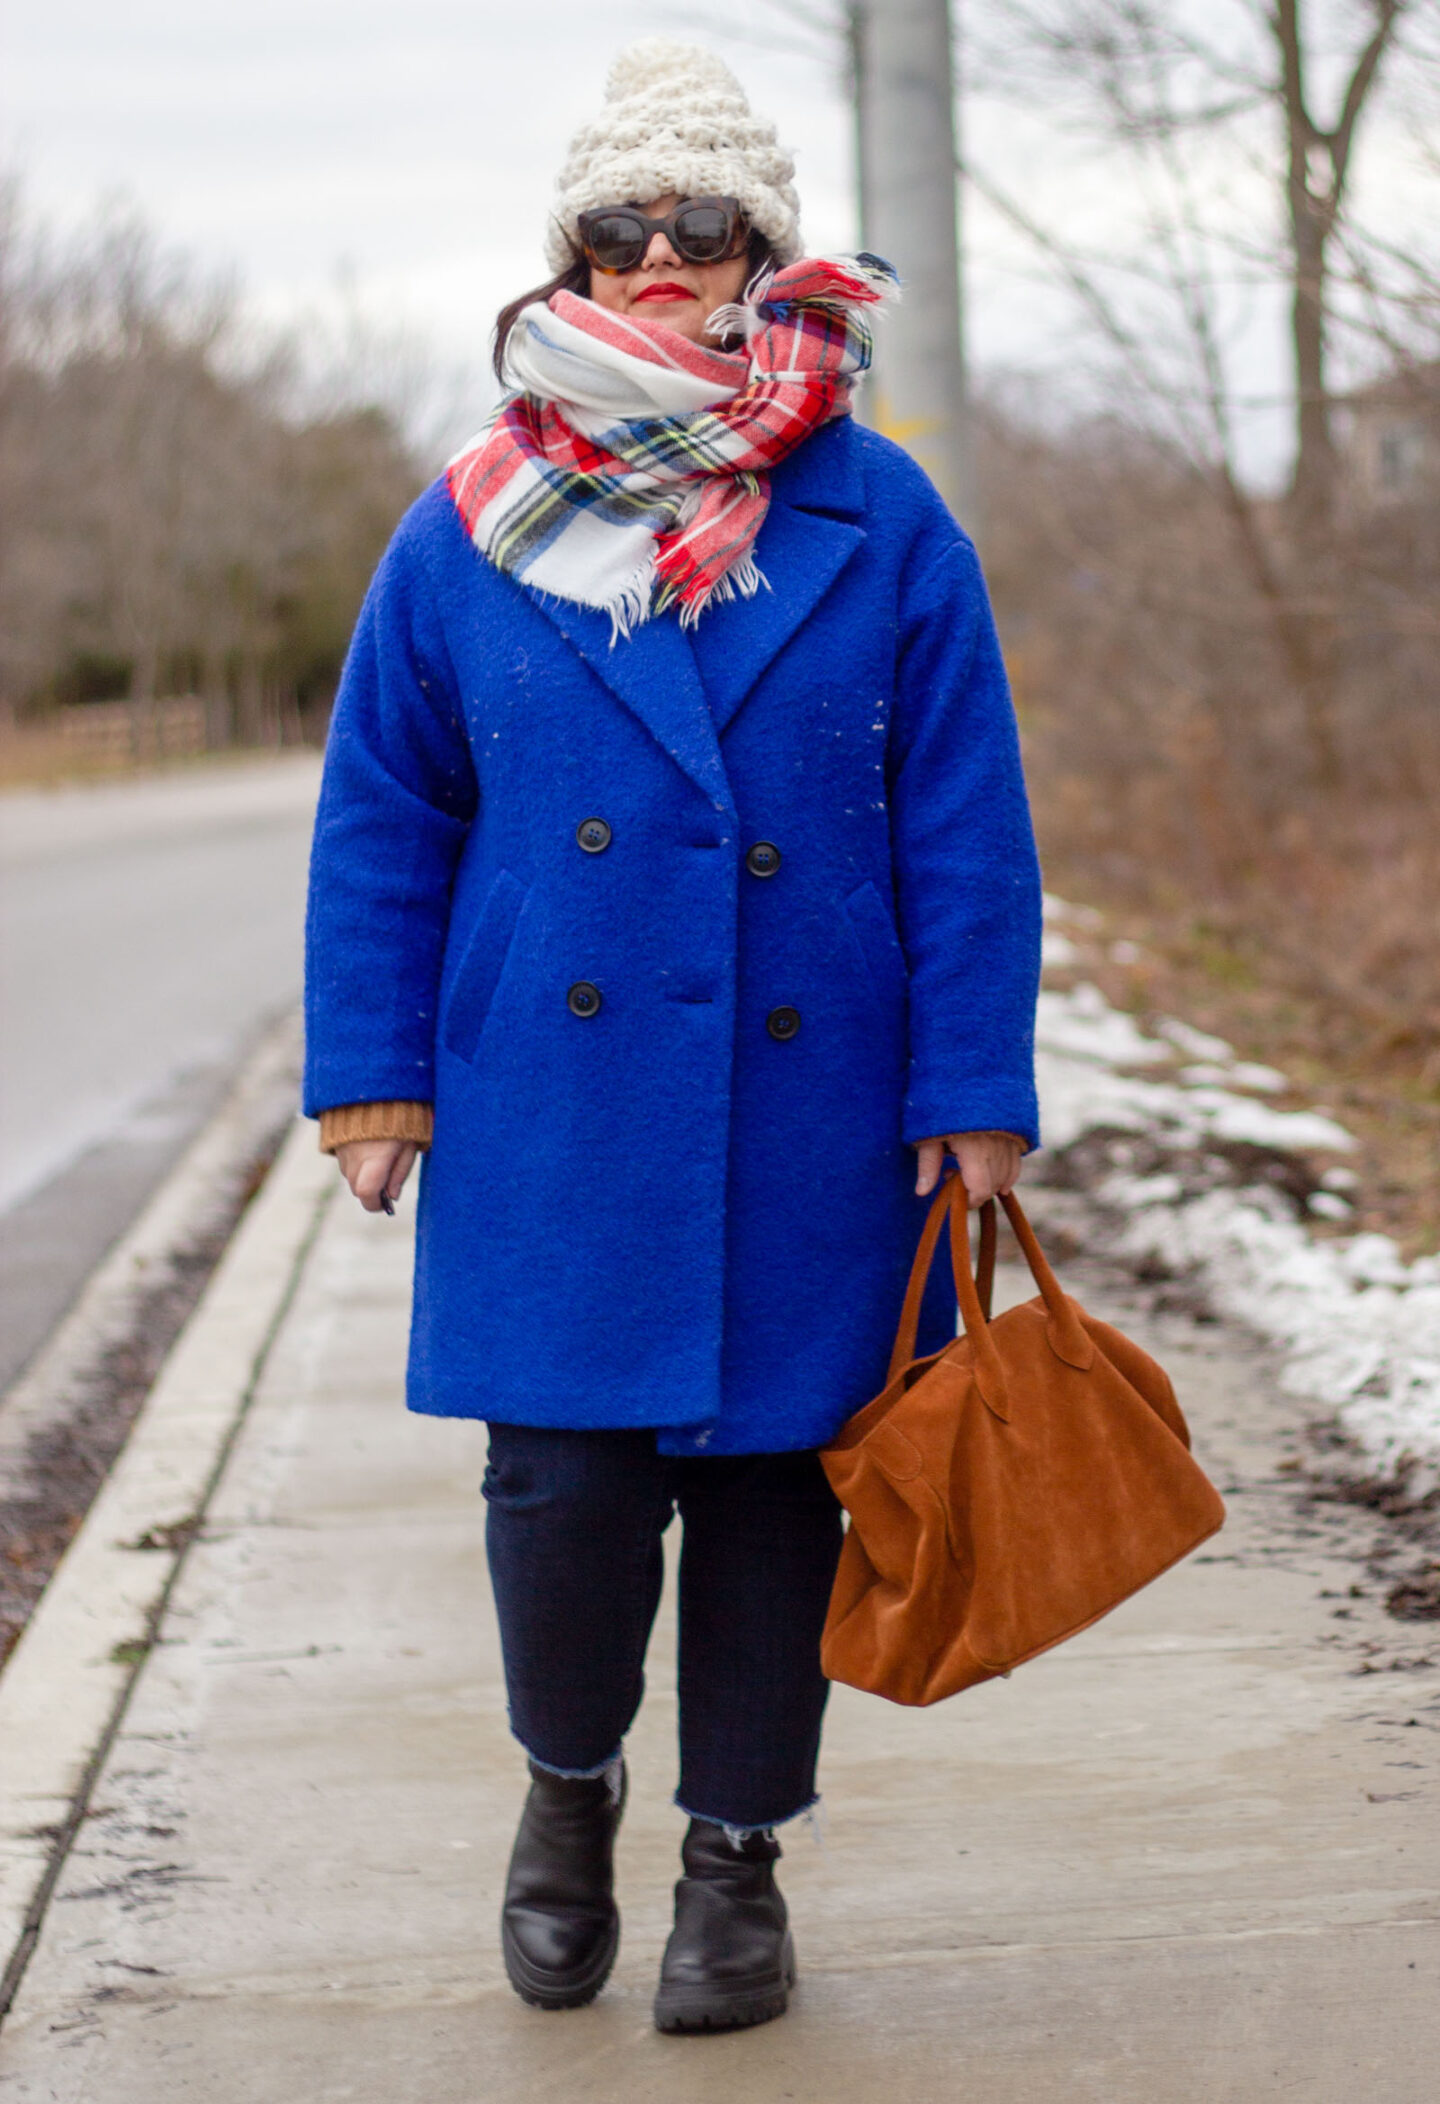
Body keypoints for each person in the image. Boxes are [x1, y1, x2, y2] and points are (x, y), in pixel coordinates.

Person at [304, 37, 1041, 2036]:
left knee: (776, 1494)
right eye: (618, 226)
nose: (657, 255)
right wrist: (374, 1076)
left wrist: (973, 1085)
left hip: (815, 1094)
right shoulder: (464, 523)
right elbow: (389, 805)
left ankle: (739, 1862)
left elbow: (965, 816)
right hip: (551, 1098)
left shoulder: (881, 513)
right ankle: (569, 1792)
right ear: (572, 251)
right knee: (556, 1489)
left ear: (757, 253)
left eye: (698, 224)